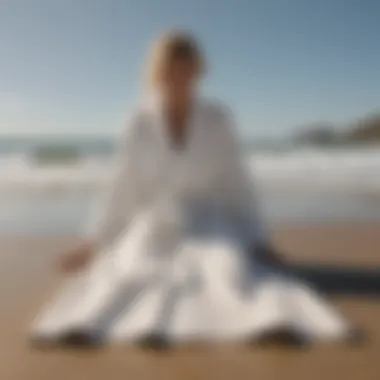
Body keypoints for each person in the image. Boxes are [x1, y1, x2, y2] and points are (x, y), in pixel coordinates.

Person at [30, 30, 356, 349]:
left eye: (185, 70)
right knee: (133, 267)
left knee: (228, 268)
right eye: (169, 70)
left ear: (197, 71)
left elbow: (237, 183)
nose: (178, 79)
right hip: (156, 219)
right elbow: (121, 185)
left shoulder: (218, 118)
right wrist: (95, 242)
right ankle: (95, 325)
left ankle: (266, 322)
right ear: (156, 73)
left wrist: (258, 240)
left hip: (208, 219)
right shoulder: (138, 122)